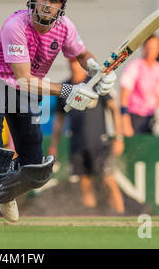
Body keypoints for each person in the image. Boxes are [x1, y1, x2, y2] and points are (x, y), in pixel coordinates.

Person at [0, 0, 117, 225]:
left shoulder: (65, 27)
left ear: (62, 6)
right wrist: (68, 90)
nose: (48, 5)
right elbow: (23, 78)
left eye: (54, 1)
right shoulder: (15, 25)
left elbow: (80, 53)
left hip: (25, 91)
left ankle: (7, 190)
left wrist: (94, 68)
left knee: (35, 167)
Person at [48, 59, 125, 214]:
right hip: (77, 141)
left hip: (99, 140)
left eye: (76, 62)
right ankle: (91, 216)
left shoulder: (95, 83)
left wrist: (118, 137)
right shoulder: (65, 87)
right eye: (70, 62)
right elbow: (59, 120)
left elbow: (114, 109)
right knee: (84, 180)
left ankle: (121, 214)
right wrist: (54, 145)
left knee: (108, 179)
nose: (73, 65)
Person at [120, 35, 159, 136]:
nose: (151, 51)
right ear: (144, 47)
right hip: (135, 117)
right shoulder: (135, 66)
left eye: (154, 48)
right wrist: (125, 121)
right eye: (149, 47)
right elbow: (124, 95)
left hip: (152, 119)